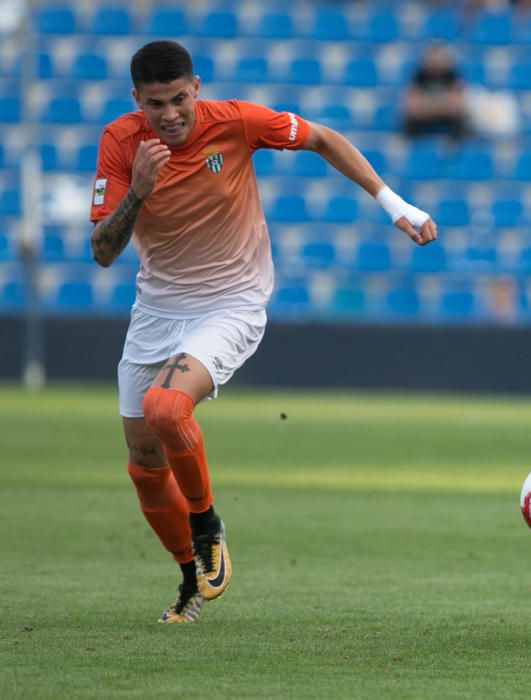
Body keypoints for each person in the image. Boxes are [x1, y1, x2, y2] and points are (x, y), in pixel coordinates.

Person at [89, 40, 437, 624]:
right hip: (157, 309)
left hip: (231, 301)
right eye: (156, 104)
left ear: (196, 87)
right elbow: (102, 252)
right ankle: (189, 583)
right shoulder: (121, 144)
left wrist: (392, 203)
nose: (170, 115)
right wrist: (140, 190)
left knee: (167, 409)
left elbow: (324, 138)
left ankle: (207, 525)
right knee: (144, 465)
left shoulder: (237, 122)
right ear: (136, 101)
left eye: (179, 99)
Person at [401, 43, 469, 140]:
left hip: (445, 120)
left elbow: (456, 106)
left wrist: (426, 106)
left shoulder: (452, 75)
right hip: (423, 121)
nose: (435, 62)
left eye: (438, 59)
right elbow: (411, 107)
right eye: (432, 59)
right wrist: (442, 105)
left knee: (461, 122)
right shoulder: (418, 75)